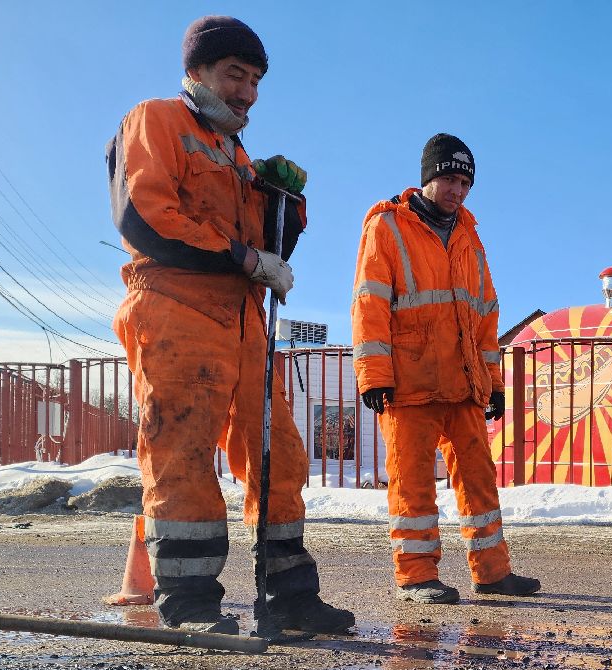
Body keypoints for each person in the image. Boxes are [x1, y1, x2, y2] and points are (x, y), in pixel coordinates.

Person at [108, 16, 354, 635]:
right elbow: (145, 214)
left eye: (254, 81)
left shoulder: (237, 156)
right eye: (233, 75)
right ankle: (188, 601)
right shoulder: (157, 120)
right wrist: (245, 258)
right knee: (183, 451)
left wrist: (284, 207)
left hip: (245, 325)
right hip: (176, 311)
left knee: (277, 455)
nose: (246, 92)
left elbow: (270, 250)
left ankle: (291, 592)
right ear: (196, 73)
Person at [351, 133, 540, 604]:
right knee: (411, 479)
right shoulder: (387, 228)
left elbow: (485, 315)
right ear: (428, 178)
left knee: (479, 477)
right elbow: (369, 303)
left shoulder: (470, 237)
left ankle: (493, 573)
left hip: (463, 383)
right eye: (449, 179)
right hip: (409, 383)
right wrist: (374, 374)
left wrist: (493, 383)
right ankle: (416, 576)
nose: (457, 190)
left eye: (465, 183)